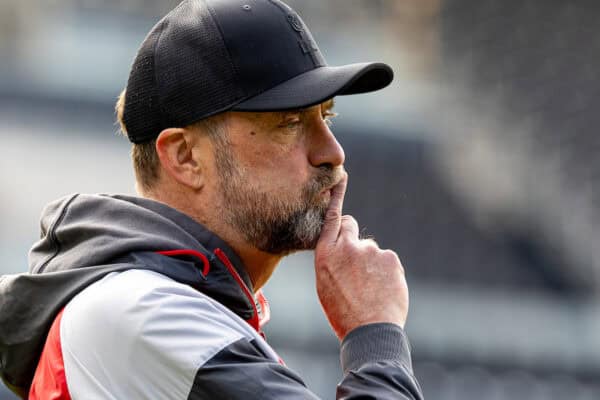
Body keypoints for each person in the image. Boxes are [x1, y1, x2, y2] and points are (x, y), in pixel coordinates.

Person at [0, 0, 423, 398]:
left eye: (325, 116)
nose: (332, 152)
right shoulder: (146, 310)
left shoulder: (164, 303)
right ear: (185, 157)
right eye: (290, 122)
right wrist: (375, 332)